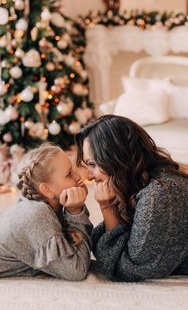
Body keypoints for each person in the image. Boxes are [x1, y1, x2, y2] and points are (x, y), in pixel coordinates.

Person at [0, 143, 93, 283]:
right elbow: (76, 270)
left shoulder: (43, 205)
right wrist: (75, 212)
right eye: (69, 174)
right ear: (46, 189)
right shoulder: (38, 215)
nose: (78, 177)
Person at [75, 114, 188, 282]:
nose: (90, 176)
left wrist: (107, 209)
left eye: (93, 164)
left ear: (116, 158)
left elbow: (128, 270)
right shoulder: (139, 185)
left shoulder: (161, 194)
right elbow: (117, 248)